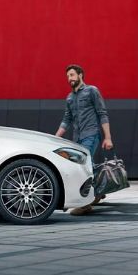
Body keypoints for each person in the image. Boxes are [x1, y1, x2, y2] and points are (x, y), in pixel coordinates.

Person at [55, 64, 113, 216]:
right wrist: (55, 138)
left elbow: (102, 113)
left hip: (91, 134)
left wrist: (107, 137)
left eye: (72, 75)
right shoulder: (70, 97)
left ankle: (86, 203)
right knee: (87, 165)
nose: (70, 78)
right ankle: (99, 191)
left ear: (80, 75)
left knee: (83, 167)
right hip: (77, 138)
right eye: (68, 76)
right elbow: (66, 119)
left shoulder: (91, 91)